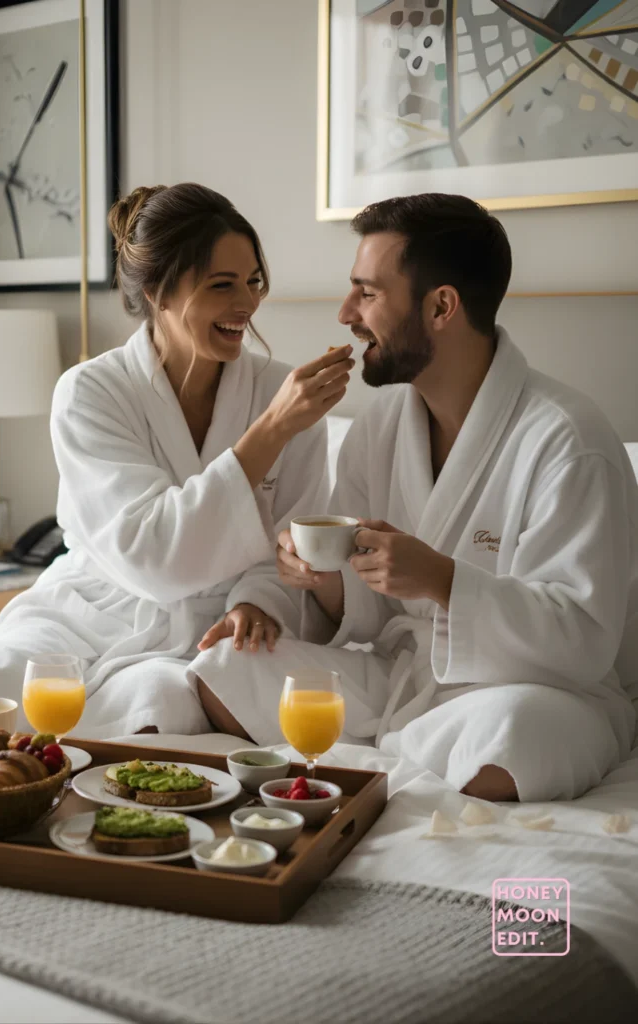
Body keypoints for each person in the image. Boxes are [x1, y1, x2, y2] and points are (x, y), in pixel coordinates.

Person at [189, 192, 638, 803]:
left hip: (537, 694)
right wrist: (315, 579)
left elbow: (584, 641)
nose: (346, 312)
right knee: (223, 670)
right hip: (405, 678)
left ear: (441, 307)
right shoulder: (381, 425)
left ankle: (379, 760)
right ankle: (410, 753)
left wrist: (443, 580)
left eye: (367, 293)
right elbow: (364, 606)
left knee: (515, 738)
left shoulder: (567, 440)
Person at [0, 183, 354, 737]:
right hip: (92, 606)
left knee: (158, 705)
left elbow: (291, 545)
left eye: (253, 282)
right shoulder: (90, 392)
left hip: (213, 624)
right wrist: (273, 428)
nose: (246, 304)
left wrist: (258, 603)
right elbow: (151, 551)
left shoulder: (281, 394)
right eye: (222, 285)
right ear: (157, 291)